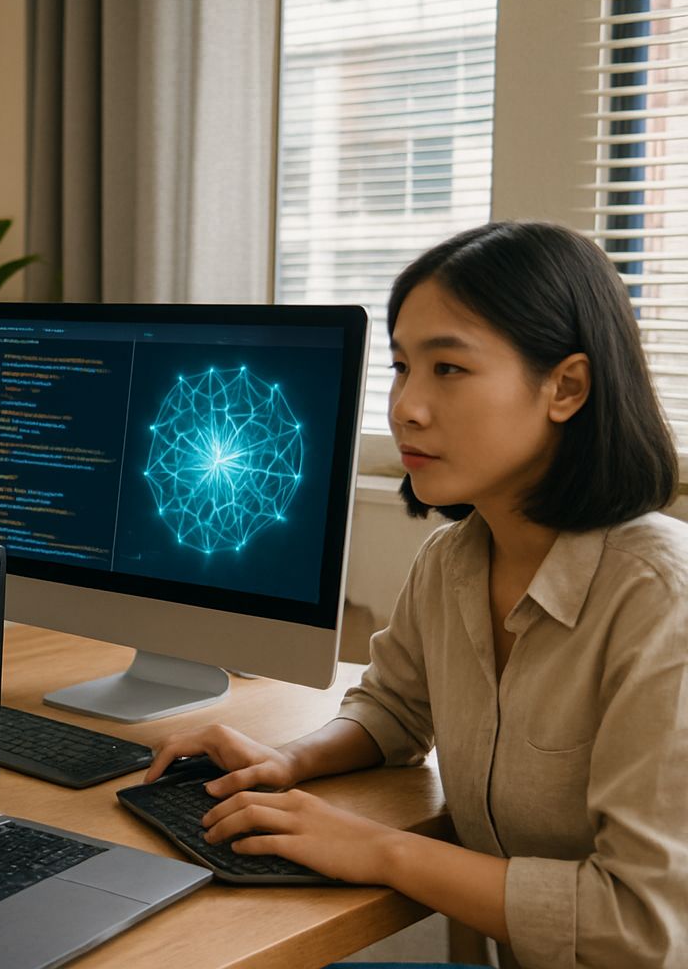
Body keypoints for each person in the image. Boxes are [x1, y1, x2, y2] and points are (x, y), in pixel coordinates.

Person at [145, 222, 688, 969]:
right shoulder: (454, 559)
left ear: (566, 387)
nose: (406, 407)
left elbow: (638, 925)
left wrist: (377, 850)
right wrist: (289, 760)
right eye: (402, 368)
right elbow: (397, 710)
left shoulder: (661, 600)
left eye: (449, 370)